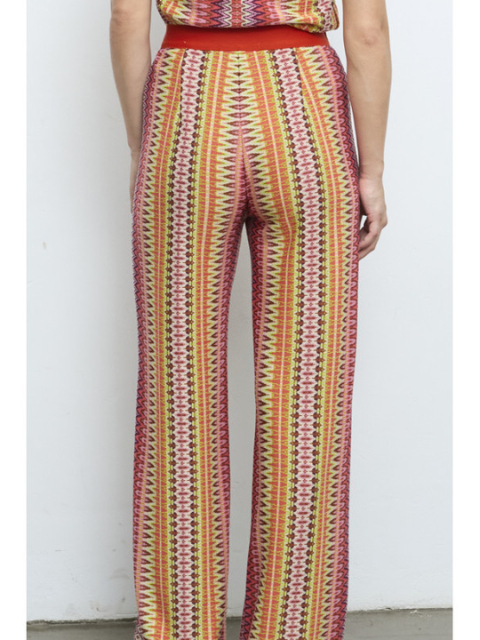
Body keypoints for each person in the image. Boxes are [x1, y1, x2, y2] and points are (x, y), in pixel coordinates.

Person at [110, 1, 391, 639]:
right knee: (308, 390)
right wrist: (371, 170)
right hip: (305, 115)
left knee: (178, 382)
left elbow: (127, 20)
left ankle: (180, 626)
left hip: (187, 106)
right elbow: (368, 33)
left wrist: (139, 144)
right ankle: (295, 626)